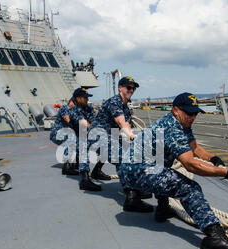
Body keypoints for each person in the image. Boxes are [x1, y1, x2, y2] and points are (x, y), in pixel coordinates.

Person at [118, 92, 228, 249]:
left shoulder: (183, 124)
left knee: (164, 168)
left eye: (195, 113)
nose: (193, 117)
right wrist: (227, 173)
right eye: (189, 113)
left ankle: (163, 209)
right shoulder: (172, 127)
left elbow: (194, 148)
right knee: (188, 187)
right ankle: (214, 237)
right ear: (176, 110)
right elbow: (190, 164)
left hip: (142, 166)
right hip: (136, 171)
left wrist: (213, 158)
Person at [78, 76, 153, 213]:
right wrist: (131, 136)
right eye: (128, 87)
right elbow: (121, 123)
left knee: (127, 153)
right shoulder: (115, 102)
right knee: (123, 158)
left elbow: (127, 125)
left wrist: (135, 139)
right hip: (98, 136)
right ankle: (131, 198)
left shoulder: (125, 107)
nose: (131, 90)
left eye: (133, 88)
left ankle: (132, 189)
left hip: (110, 136)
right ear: (120, 88)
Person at [69, 88, 111, 185]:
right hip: (75, 139)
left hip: (89, 134)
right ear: (78, 99)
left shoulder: (89, 109)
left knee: (107, 143)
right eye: (85, 98)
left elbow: (94, 122)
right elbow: (84, 124)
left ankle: (97, 171)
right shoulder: (73, 111)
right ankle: (85, 178)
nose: (87, 100)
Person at [49, 97, 78, 176]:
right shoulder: (65, 108)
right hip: (57, 133)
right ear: (71, 102)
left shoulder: (73, 111)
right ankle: (67, 167)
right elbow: (67, 119)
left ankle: (75, 164)